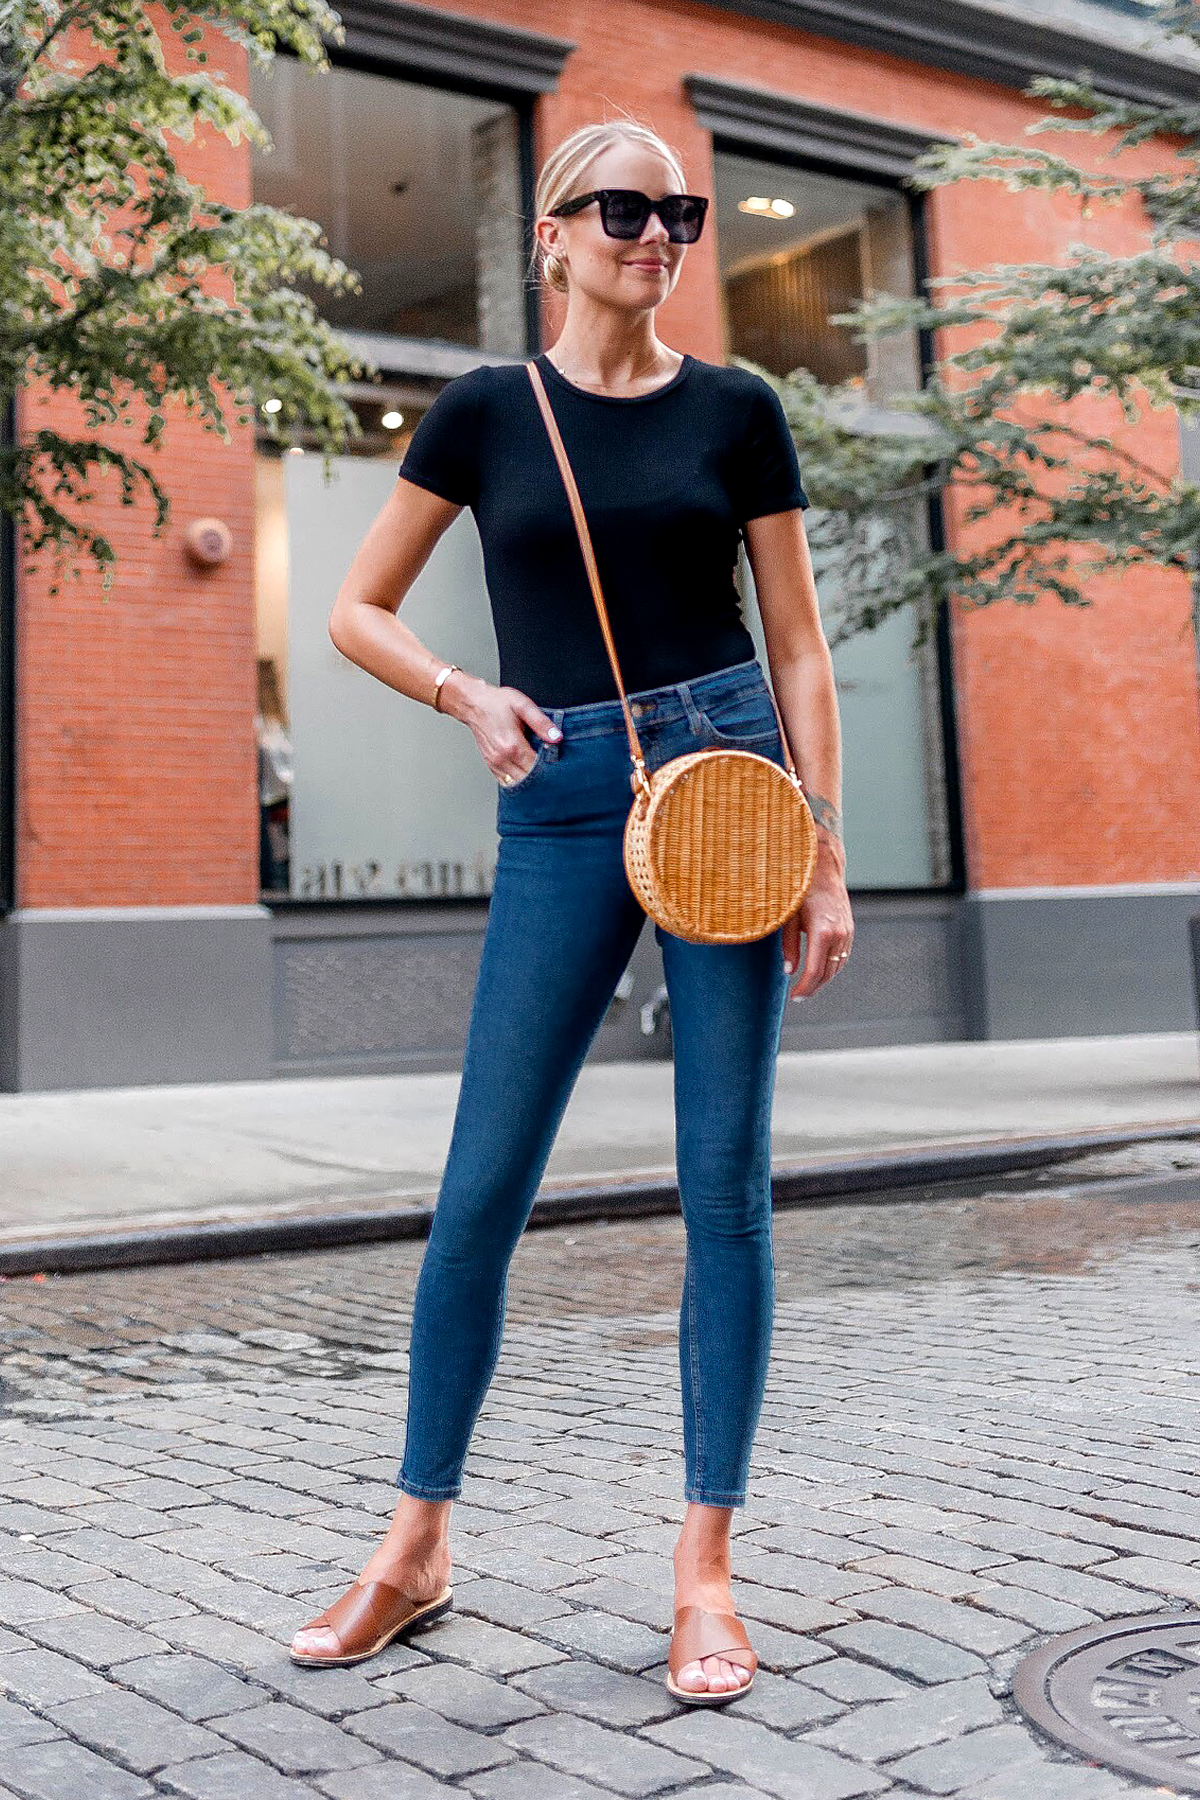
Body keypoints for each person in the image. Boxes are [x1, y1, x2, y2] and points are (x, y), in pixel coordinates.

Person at [289, 114, 853, 1705]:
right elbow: (354, 611)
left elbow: (801, 645)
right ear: (551, 233)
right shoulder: (482, 414)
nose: (658, 232)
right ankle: (414, 1547)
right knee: (481, 1188)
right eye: (626, 207)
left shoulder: (738, 411)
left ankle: (705, 1570)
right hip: (556, 789)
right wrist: (465, 695)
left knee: (722, 1186)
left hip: (734, 774)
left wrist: (824, 848)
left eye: (680, 211)